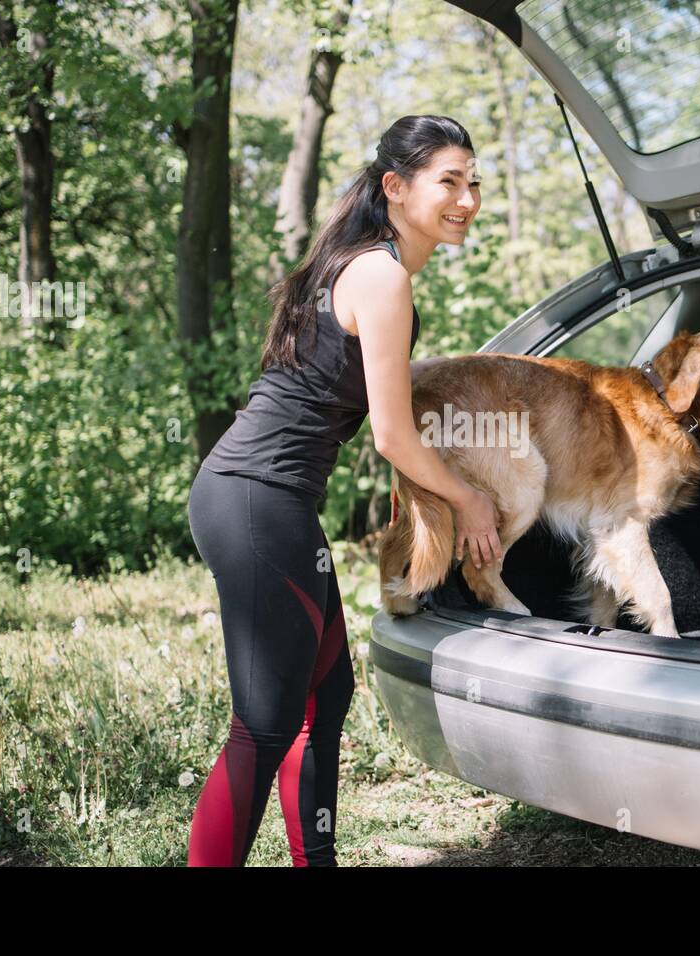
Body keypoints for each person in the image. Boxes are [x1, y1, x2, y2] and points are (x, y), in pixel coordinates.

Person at [185, 115, 504, 866]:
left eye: (474, 181)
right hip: (257, 498)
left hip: (266, 500)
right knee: (262, 725)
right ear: (395, 188)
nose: (466, 198)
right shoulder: (382, 275)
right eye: (448, 181)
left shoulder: (367, 267)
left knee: (322, 702)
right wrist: (470, 498)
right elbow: (393, 436)